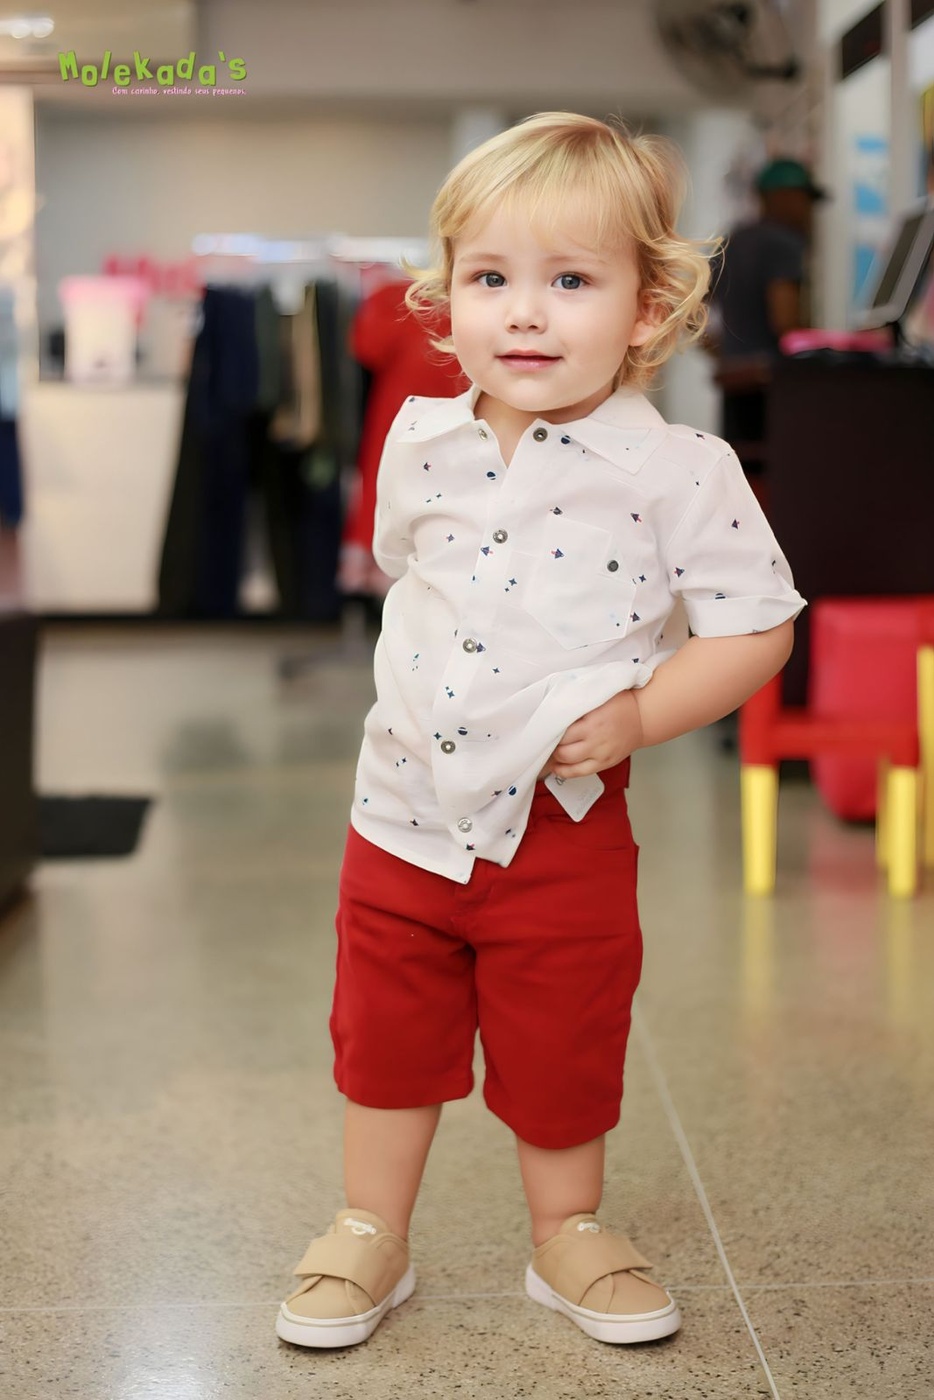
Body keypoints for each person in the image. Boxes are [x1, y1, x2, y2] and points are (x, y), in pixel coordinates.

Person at [275, 112, 805, 1351]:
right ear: (446, 298)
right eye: (490, 278)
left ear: (646, 307)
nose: (524, 312)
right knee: (384, 1039)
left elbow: (756, 628)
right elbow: (415, 581)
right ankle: (369, 1225)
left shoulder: (680, 470)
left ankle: (567, 1229)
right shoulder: (420, 441)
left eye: (570, 280)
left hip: (560, 830)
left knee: (563, 1038)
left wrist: (641, 711)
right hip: (398, 816)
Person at [707, 157, 826, 492]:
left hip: (736, 380)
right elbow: (785, 323)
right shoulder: (785, 243)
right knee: (780, 485)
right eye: (805, 200)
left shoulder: (734, 241)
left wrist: (722, 354)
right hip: (774, 386)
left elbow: (689, 310)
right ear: (783, 197)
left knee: (742, 478)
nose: (809, 212)